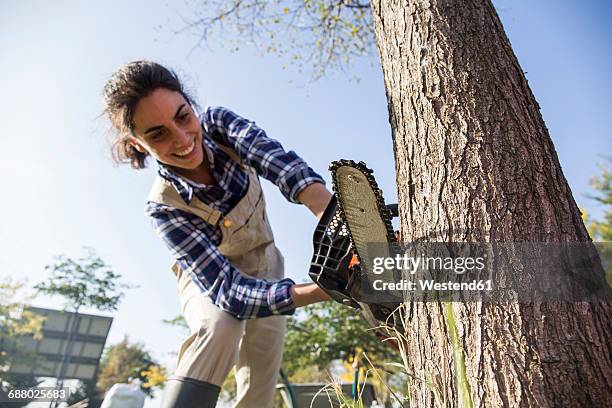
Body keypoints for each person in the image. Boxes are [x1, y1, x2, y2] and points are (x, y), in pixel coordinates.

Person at [102, 61, 332, 408]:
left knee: (261, 378)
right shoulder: (164, 207)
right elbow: (226, 291)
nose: (182, 139)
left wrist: (336, 219)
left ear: (191, 107)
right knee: (221, 324)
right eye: (158, 134)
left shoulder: (220, 125)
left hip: (265, 261)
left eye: (183, 117)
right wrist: (326, 289)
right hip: (207, 277)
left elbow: (274, 159)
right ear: (138, 143)